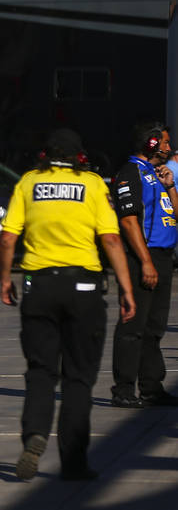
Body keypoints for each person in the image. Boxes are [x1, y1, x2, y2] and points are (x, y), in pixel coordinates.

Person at [0, 128, 135, 481]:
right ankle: (73, 462)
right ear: (79, 156)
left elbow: (8, 237)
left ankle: (35, 436)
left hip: (39, 286)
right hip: (84, 289)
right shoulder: (91, 185)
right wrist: (126, 288)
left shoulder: (29, 183)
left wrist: (4, 279)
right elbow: (111, 240)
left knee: (41, 372)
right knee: (78, 378)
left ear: (46, 154)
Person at [110, 122, 178, 408]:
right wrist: (146, 262)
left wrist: (171, 187)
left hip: (163, 258)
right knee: (133, 325)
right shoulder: (131, 172)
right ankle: (123, 389)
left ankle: (151, 386)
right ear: (150, 144)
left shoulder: (158, 175)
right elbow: (128, 221)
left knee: (154, 327)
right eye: (163, 142)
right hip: (142, 258)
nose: (168, 147)